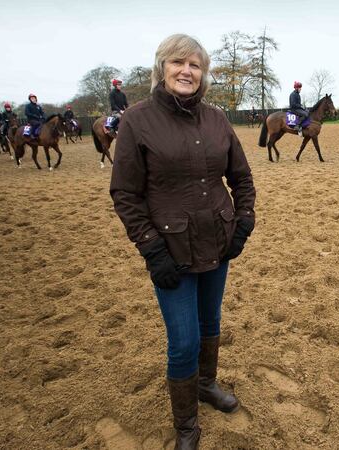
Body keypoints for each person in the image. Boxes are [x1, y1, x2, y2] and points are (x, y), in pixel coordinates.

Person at [110, 34, 256, 450]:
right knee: (184, 340)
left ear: (203, 73)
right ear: (162, 67)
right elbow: (125, 193)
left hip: (218, 243)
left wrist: (243, 221)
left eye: (195, 65)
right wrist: (151, 249)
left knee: (211, 323)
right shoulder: (137, 120)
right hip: (170, 252)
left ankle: (206, 384)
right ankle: (187, 424)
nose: (187, 71)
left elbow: (242, 177)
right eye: (178, 63)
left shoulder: (216, 119)